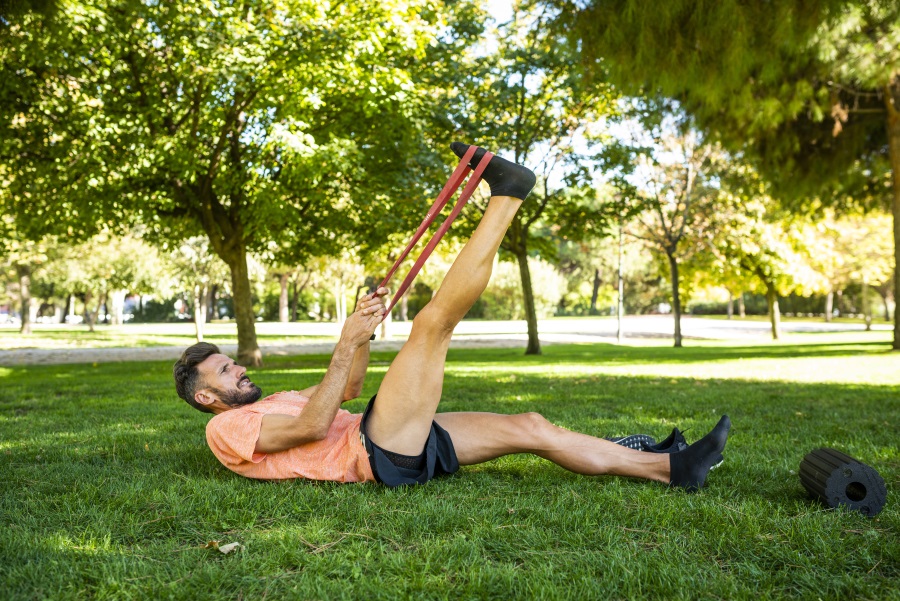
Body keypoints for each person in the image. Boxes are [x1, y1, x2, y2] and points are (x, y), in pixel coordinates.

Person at [173, 143, 730, 490]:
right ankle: (507, 197)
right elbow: (315, 428)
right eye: (224, 372)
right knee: (432, 325)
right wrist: (345, 341)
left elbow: (351, 388)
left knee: (531, 428)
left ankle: (673, 469)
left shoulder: (268, 403)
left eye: (231, 363)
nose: (238, 370)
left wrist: (364, 329)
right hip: (376, 451)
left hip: (384, 432)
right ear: (205, 397)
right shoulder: (226, 429)